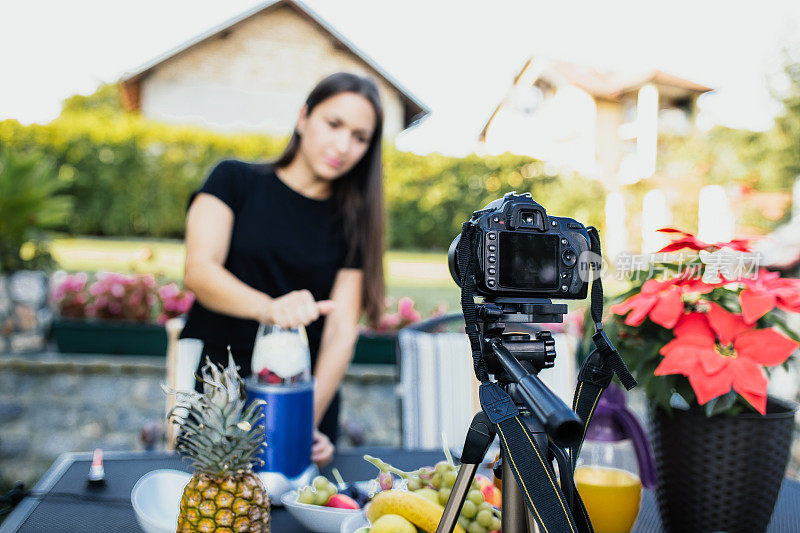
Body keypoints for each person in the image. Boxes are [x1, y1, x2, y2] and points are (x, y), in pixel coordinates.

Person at [180, 72, 386, 467]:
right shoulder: (233, 180)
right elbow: (200, 272)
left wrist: (302, 422)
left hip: (306, 399)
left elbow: (342, 331)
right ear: (303, 117)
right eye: (334, 124)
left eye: (360, 137)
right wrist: (270, 308)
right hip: (223, 393)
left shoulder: (355, 220)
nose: (343, 146)